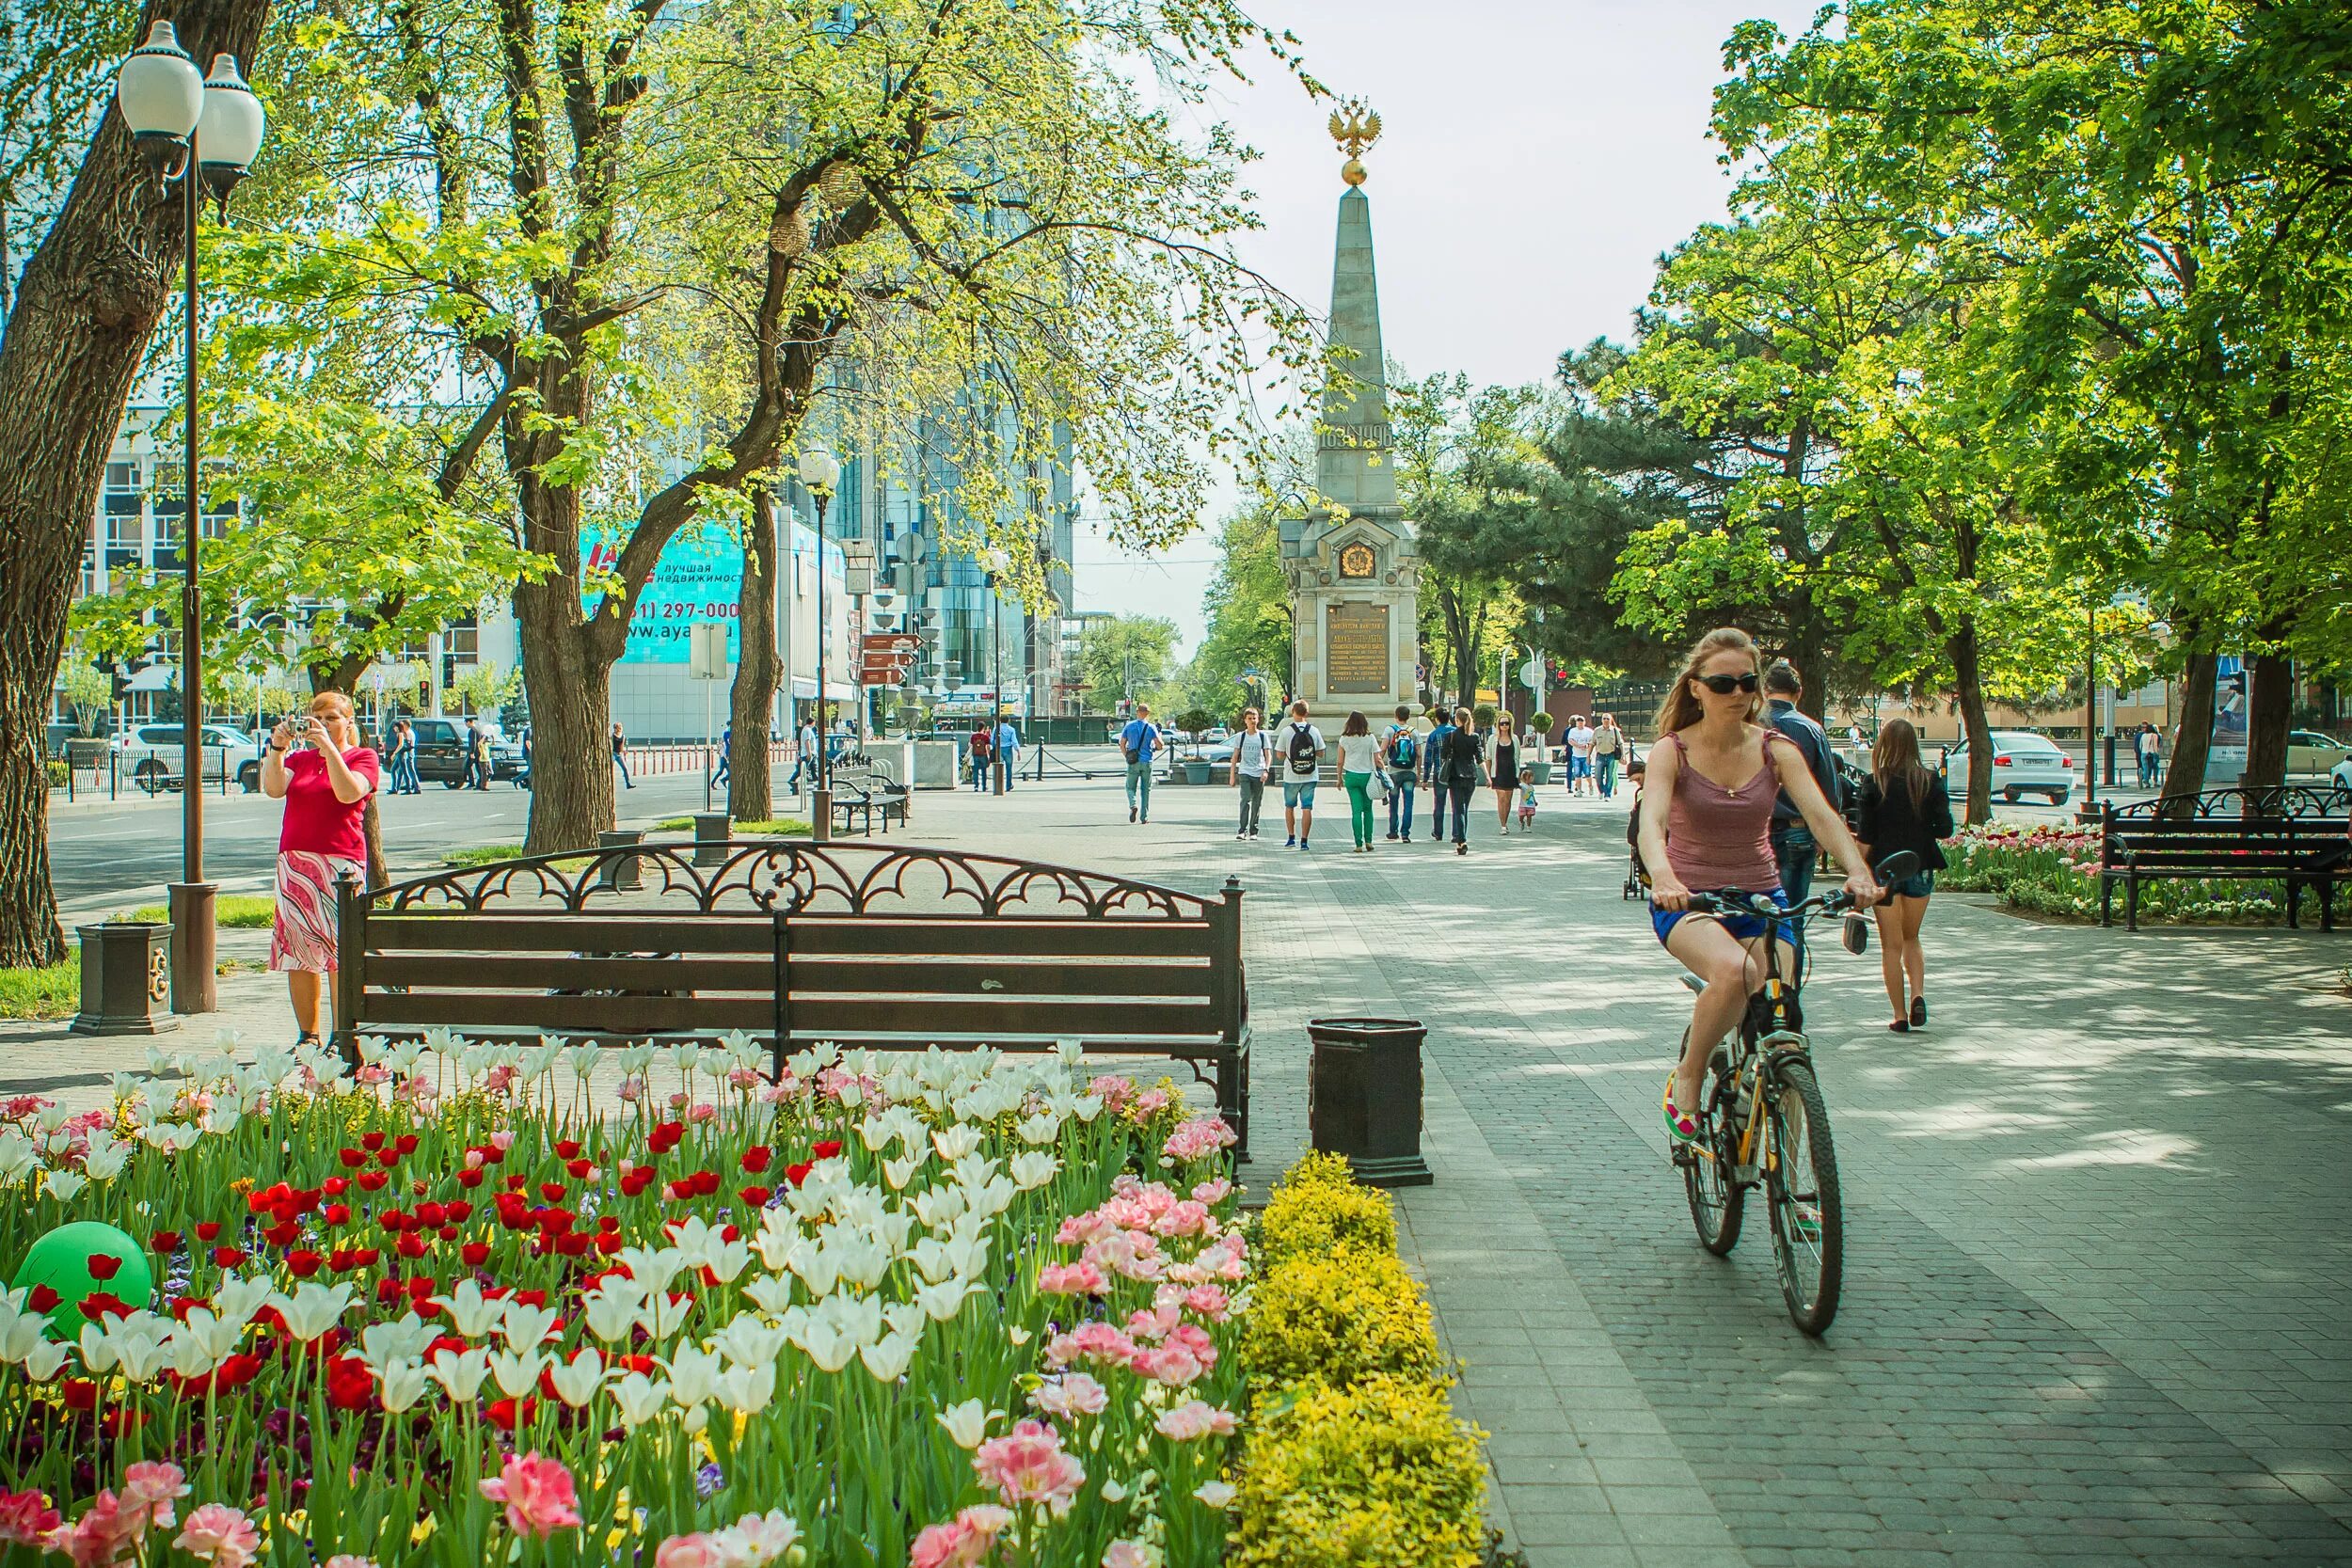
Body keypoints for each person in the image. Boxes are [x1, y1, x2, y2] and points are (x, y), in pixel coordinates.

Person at [1640, 628, 1878, 1144]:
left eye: (1748, 682)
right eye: (1723, 684)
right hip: (1691, 899)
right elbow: (1651, 822)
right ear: (1696, 688)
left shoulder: (1776, 749)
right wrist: (1663, 876)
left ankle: (1799, 1190)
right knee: (1733, 971)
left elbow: (1822, 815)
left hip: (1764, 898)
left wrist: (1858, 871)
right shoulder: (1672, 751)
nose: (1738, 694)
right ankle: (1690, 1072)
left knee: (1782, 1015)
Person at [262, 692, 378, 1049]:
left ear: (348, 723)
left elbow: (348, 794)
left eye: (331, 717)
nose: (323, 724)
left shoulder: (363, 757)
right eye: (316, 718)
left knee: (340, 954)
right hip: (296, 866)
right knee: (299, 953)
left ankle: (344, 1034)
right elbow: (272, 788)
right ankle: (307, 1036)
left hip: (341, 867)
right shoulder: (300, 759)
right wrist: (277, 749)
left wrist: (330, 750)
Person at [1856, 718, 1953, 1033]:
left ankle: (1899, 1015)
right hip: (1920, 865)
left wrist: (1856, 873)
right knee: (1912, 937)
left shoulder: (1874, 784)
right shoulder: (1929, 781)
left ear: (1883, 744)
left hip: (1884, 871)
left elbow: (1866, 837)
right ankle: (1919, 995)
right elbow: (1946, 828)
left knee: (1891, 946)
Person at [1760, 660, 1842, 958]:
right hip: (1798, 831)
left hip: (1754, 836)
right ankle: (1788, 993)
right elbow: (1828, 790)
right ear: (1799, 692)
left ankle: (1758, 991)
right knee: (1792, 920)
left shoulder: (1751, 727)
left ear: (1765, 690)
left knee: (1753, 920)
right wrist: (1825, 836)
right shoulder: (1811, 729)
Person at [1274, 701, 1325, 850]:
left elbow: (1279, 755)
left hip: (1291, 775)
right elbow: (1321, 753)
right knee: (1307, 808)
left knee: (1289, 806)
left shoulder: (1286, 731)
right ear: (1307, 713)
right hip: (1310, 775)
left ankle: (1291, 838)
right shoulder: (1314, 731)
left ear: (1292, 711)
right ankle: (1304, 841)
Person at [1438, 706, 1482, 854]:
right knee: (1465, 808)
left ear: (1457, 719)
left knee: (1458, 809)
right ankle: (1462, 838)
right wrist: (1488, 776)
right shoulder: (1474, 737)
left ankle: (1461, 840)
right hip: (1471, 776)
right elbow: (1479, 758)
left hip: (1456, 776)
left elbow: (1443, 755)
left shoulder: (1451, 735)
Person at [1337, 711, 1381, 852]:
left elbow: (1339, 761)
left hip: (1351, 776)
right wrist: (1383, 773)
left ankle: (1358, 844)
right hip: (1367, 776)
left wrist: (1339, 777)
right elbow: (1377, 759)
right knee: (1368, 809)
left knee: (1356, 811)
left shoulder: (1344, 739)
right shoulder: (1370, 738)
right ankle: (1369, 841)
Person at [1230, 706, 1271, 839]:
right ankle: (1242, 830)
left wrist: (1266, 770)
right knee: (1245, 799)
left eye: (1255, 718)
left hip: (1259, 772)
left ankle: (1254, 830)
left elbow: (1268, 755)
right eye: (1250, 718)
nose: (1252, 721)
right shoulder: (1240, 736)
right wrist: (1232, 776)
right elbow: (1235, 757)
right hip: (1245, 772)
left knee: (1256, 802)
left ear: (1258, 720)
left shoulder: (1263, 736)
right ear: (1245, 720)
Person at [1381, 705, 1418, 840]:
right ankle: (1405, 833)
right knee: (1408, 803)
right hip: (1409, 772)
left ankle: (1393, 831)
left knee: (1394, 802)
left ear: (1396, 716)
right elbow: (1419, 754)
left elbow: (1383, 750)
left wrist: (1380, 769)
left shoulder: (1389, 730)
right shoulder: (1414, 732)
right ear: (1408, 717)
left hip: (1394, 772)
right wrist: (1418, 772)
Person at [1120, 702, 1160, 823]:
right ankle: (1144, 817)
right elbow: (1159, 745)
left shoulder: (1129, 726)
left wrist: (1127, 755)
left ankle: (1133, 805)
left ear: (1137, 712)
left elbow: (1122, 743)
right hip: (1147, 761)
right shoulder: (1151, 727)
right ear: (1147, 714)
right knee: (1145, 789)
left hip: (1133, 762)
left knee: (1130, 787)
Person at [1422, 706, 1455, 843]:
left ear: (1436, 719)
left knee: (1439, 803)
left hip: (1439, 773)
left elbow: (1428, 758)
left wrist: (1425, 778)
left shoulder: (1434, 735)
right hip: (1455, 772)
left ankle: (1438, 832)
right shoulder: (1455, 733)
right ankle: (1456, 833)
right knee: (1456, 804)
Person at [1489, 712, 1520, 833]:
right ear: (1498, 725)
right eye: (1502, 723)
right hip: (1498, 772)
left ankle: (1506, 822)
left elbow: (1517, 756)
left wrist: (1518, 774)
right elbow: (1489, 757)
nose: (1504, 726)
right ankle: (1502, 825)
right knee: (1501, 798)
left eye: (1507, 723)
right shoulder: (1493, 739)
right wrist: (1489, 775)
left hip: (1511, 772)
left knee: (1508, 800)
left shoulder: (1515, 739)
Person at [1565, 714, 1597, 796]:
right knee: (1577, 773)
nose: (1580, 723)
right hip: (1576, 755)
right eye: (1578, 722)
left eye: (1581, 721)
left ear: (1584, 722)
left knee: (1587, 773)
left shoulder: (1589, 731)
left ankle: (1590, 786)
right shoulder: (1572, 731)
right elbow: (1570, 740)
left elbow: (1593, 741)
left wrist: (1587, 745)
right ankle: (1579, 790)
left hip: (1586, 755)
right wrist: (1578, 746)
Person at [385, 719, 419, 795]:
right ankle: (395, 788)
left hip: (403, 754)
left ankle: (408, 788)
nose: (393, 729)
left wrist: (394, 753)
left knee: (405, 771)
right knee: (396, 770)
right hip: (402, 753)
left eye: (395, 727)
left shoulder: (402, 733)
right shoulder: (403, 733)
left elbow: (401, 745)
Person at [1596, 714, 1625, 800]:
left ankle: (1607, 794)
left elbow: (1620, 743)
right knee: (1598, 776)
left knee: (1610, 775)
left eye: (1607, 718)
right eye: (1604, 718)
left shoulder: (1615, 731)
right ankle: (1601, 790)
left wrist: (1623, 756)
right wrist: (1588, 756)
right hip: (1600, 755)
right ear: (1601, 720)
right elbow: (1592, 743)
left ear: (1610, 720)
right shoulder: (1597, 730)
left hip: (1611, 755)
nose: (1605, 720)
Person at [788, 715, 819, 794]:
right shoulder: (807, 730)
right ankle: (792, 780)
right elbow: (807, 741)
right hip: (807, 753)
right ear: (812, 723)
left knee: (814, 768)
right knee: (802, 769)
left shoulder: (808, 730)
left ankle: (817, 782)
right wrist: (809, 753)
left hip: (813, 753)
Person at [994, 716, 1021, 789]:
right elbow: (1014, 741)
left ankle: (998, 785)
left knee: (998, 768)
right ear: (1008, 721)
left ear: (1000, 720)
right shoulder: (1011, 730)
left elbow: (992, 740)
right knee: (1009, 769)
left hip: (998, 749)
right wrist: (1018, 751)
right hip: (1008, 749)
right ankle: (1008, 785)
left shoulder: (996, 729)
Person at [968, 721, 993, 791]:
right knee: (984, 771)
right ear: (983, 728)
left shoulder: (973, 736)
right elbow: (988, 746)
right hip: (983, 755)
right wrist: (988, 756)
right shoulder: (985, 737)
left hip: (975, 755)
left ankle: (976, 786)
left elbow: (970, 745)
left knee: (975, 771)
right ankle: (984, 786)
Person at [2136, 722, 2161, 789]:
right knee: (2156, 767)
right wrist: (2156, 754)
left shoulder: (2143, 735)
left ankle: (2146, 782)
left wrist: (2143, 751)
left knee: (2145, 768)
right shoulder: (2154, 735)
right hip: (2152, 753)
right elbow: (2155, 746)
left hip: (2144, 753)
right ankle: (2155, 781)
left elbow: (2140, 745)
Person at [611, 721, 633, 790]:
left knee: (625, 769)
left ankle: (628, 784)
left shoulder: (623, 736)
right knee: (610, 768)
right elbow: (611, 744)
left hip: (620, 754)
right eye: (617, 728)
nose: (619, 729)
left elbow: (622, 745)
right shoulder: (613, 735)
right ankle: (610, 784)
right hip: (613, 753)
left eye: (620, 728)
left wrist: (623, 751)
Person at [1517, 765, 1539, 831]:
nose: (1532, 779)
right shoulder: (1522, 785)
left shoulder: (1531, 787)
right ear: (1526, 778)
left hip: (1530, 804)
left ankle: (1528, 827)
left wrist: (1534, 801)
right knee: (1521, 815)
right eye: (1531, 777)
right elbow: (1518, 786)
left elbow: (1532, 795)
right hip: (1523, 804)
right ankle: (1521, 822)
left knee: (1529, 816)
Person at [714, 722, 732, 787]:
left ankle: (722, 780)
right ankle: (723, 780)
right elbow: (722, 742)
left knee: (723, 771)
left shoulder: (727, 732)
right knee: (729, 772)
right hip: (727, 755)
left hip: (726, 755)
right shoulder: (727, 732)